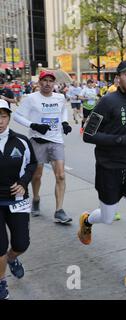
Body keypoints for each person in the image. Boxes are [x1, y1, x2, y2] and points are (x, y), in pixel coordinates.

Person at [78, 60, 126, 296]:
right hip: (109, 168)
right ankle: (88, 220)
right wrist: (122, 140)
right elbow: (88, 135)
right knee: (109, 217)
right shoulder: (107, 102)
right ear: (118, 78)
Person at [13, 71, 73, 224]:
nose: (47, 83)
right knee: (37, 175)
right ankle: (36, 198)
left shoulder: (59, 97)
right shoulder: (31, 99)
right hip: (37, 140)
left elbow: (63, 110)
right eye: (44, 80)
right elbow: (17, 116)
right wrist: (33, 125)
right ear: (39, 82)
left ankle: (59, 210)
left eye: (50, 81)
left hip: (56, 140)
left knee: (60, 175)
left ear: (54, 83)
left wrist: (65, 122)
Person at [0, 99, 37, 300]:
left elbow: (32, 164)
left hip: (18, 199)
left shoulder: (21, 141)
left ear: (8, 118)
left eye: (3, 116)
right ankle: (1, 282)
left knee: (21, 244)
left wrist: (23, 182)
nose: (0, 121)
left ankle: (12, 258)